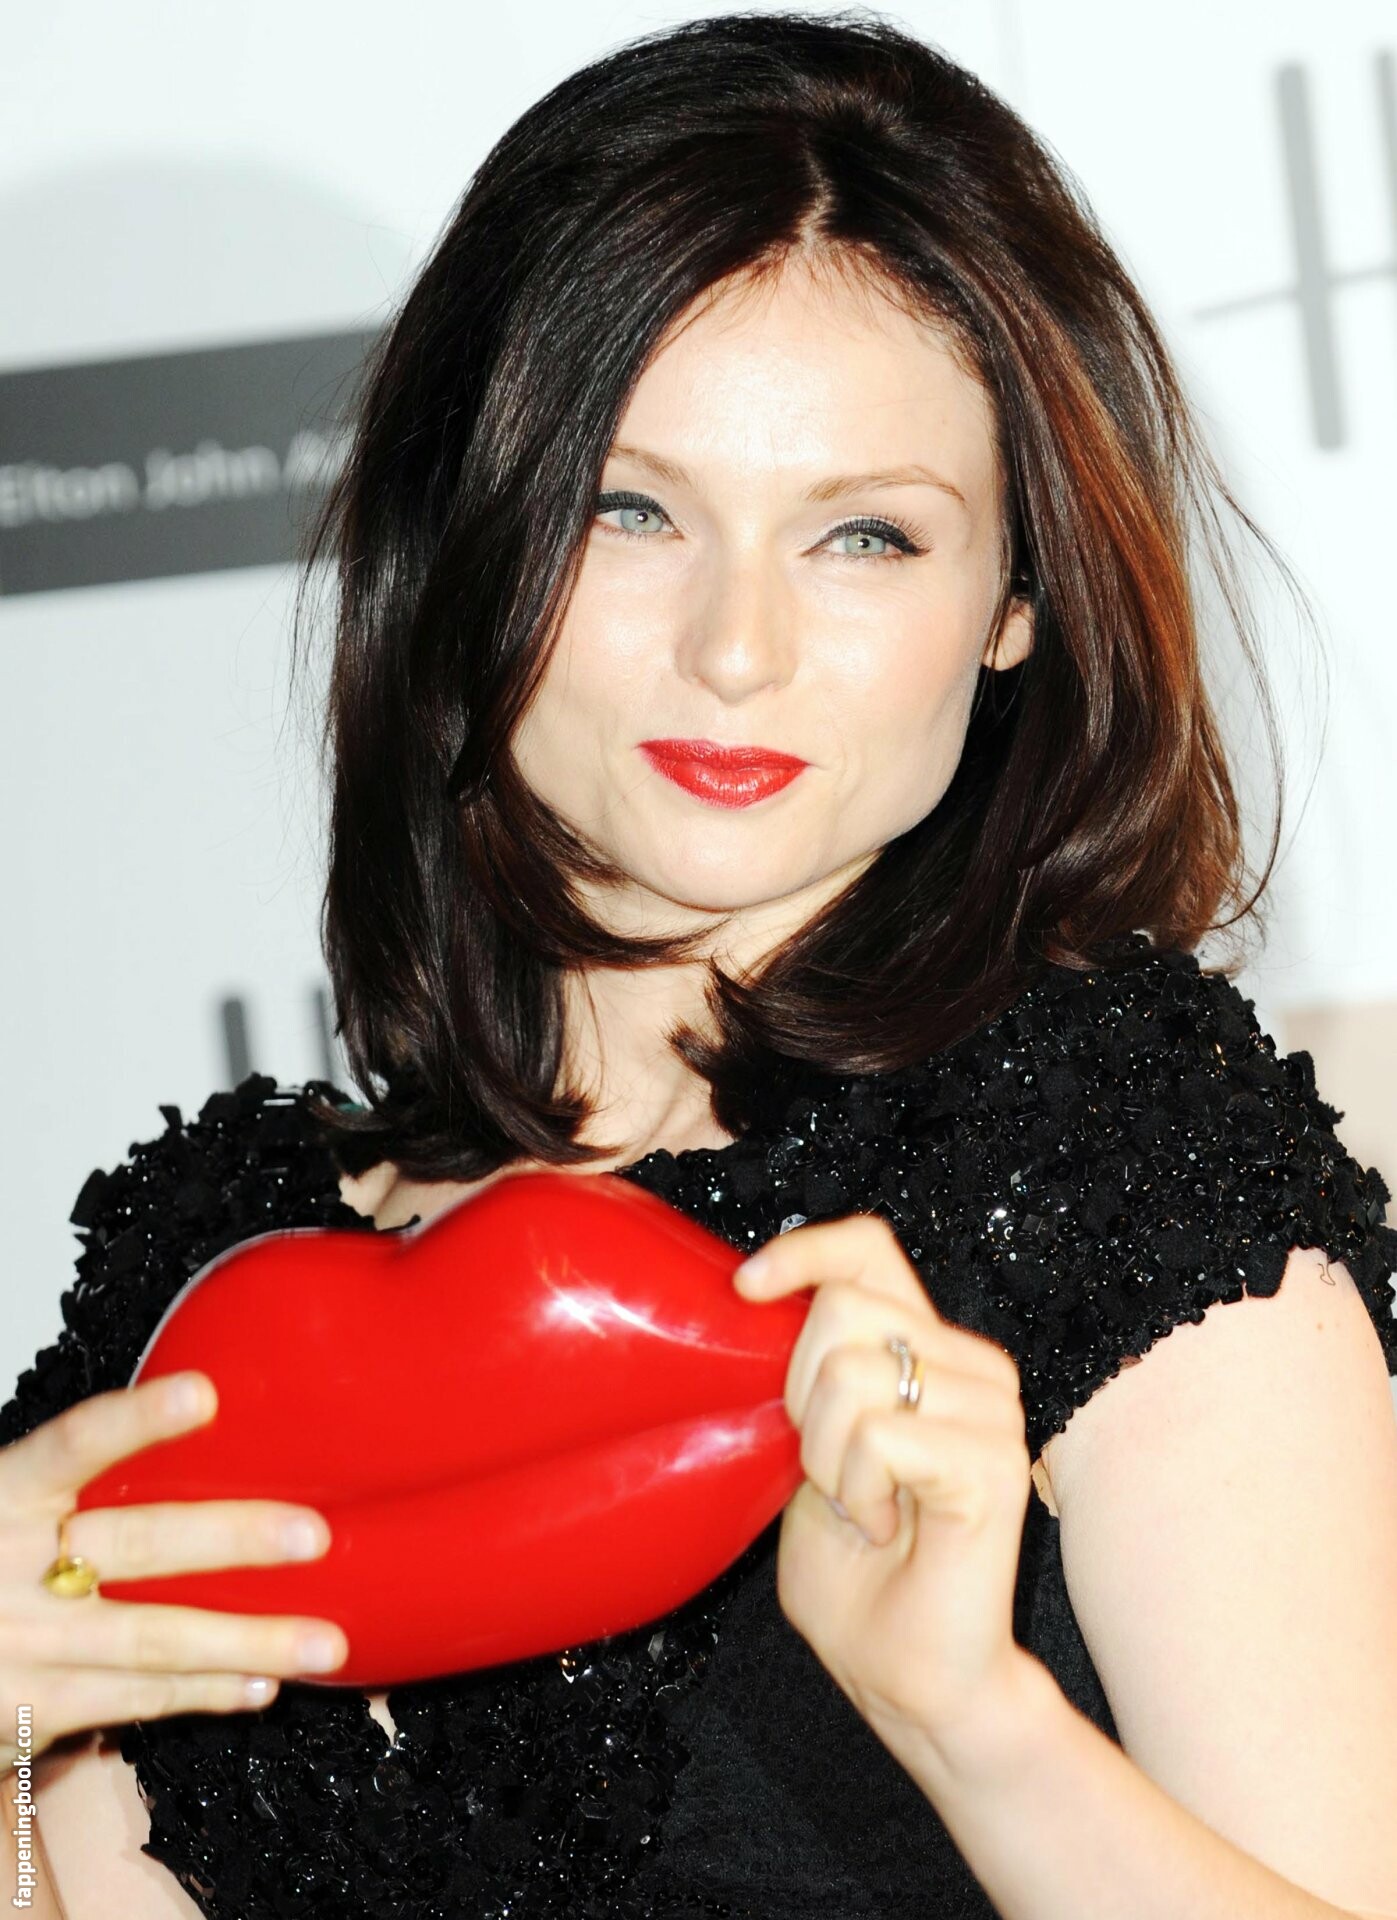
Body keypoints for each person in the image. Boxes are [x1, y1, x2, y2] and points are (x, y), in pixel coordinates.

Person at [4, 12, 1396, 1918]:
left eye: (864, 536)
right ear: (469, 533)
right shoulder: (222, 1272)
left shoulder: (1114, 1172)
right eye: (630, 508)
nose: (737, 648)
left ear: (1015, 604)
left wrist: (973, 1720)